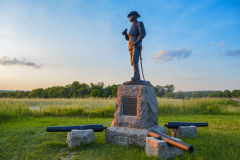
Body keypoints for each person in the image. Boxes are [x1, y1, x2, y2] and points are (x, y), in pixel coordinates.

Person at [122, 11, 146, 81]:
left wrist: (137, 41)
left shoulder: (139, 23)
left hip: (136, 43)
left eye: (130, 16)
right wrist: (126, 34)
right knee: (132, 61)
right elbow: (127, 39)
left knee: (135, 60)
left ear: (133, 16)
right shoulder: (131, 26)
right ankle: (137, 76)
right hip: (130, 44)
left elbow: (143, 33)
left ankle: (136, 75)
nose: (129, 18)